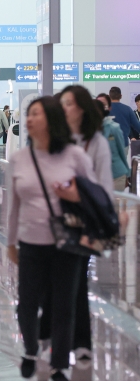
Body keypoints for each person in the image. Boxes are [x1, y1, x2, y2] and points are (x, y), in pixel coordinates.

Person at [6, 96, 97, 381]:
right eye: (28, 114)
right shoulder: (20, 159)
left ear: (52, 119)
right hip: (31, 243)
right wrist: (10, 241)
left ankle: (60, 364)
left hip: (67, 243)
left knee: (63, 304)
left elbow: (94, 198)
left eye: (36, 114)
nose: (29, 119)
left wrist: (74, 195)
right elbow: (13, 205)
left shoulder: (75, 156)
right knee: (27, 303)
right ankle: (31, 349)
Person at [50, 85, 115, 362]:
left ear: (81, 109)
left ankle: (77, 343)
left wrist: (103, 221)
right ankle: (59, 339)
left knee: (74, 283)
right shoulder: (55, 140)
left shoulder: (96, 142)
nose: (63, 109)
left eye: (69, 104)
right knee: (61, 284)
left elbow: (104, 186)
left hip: (82, 221)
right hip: (52, 220)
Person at [95, 96, 129, 191]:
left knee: (114, 204)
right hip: (98, 176)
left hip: (116, 174)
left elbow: (121, 152)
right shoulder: (87, 130)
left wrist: (127, 173)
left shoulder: (113, 127)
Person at [109, 86, 140, 152]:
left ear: (109, 96)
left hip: (109, 144)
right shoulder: (127, 109)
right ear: (121, 96)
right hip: (123, 143)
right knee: (122, 162)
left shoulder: (105, 110)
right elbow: (138, 127)